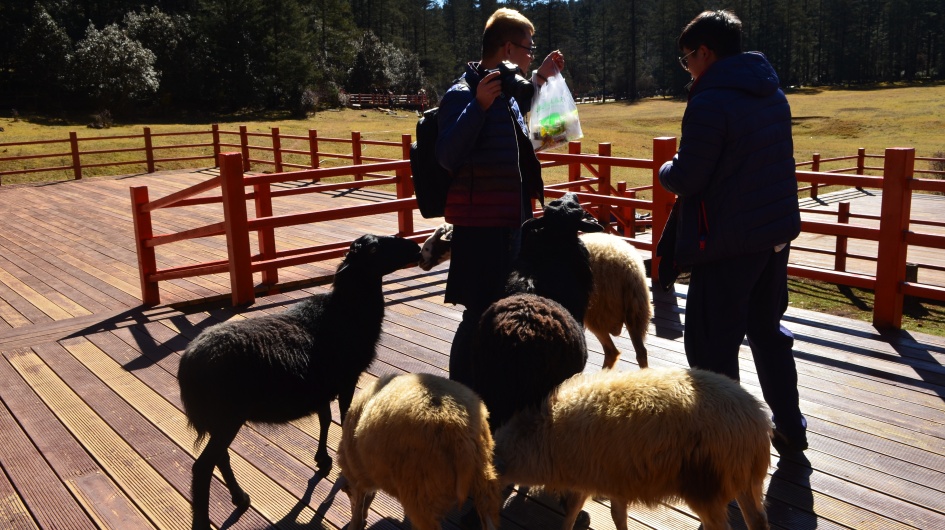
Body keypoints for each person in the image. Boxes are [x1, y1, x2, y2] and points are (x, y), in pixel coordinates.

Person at [657, 10, 807, 453]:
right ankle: (791, 428)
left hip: (727, 242)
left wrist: (666, 169)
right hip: (773, 235)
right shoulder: (771, 91)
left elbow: (689, 177)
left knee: (711, 347)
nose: (687, 68)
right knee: (767, 331)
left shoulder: (710, 100)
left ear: (705, 52)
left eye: (687, 60)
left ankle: (728, 445)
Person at [436, 8, 565, 387]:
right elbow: (446, 157)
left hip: (514, 222)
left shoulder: (506, 92)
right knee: (477, 313)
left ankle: (494, 388)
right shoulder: (463, 94)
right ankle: (459, 392)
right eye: (527, 48)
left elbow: (526, 109)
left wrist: (541, 75)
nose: (529, 53)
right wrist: (478, 107)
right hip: (480, 228)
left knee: (507, 306)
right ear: (507, 47)